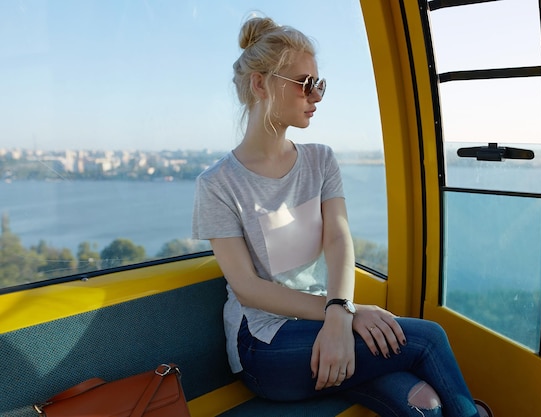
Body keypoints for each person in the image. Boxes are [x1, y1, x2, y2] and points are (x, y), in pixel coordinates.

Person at [193, 16, 492, 417]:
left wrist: (340, 313)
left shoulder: (320, 160)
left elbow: (338, 239)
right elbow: (247, 288)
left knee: (425, 406)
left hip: (328, 321)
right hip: (266, 345)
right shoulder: (218, 184)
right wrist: (341, 312)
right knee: (428, 339)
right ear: (261, 84)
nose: (316, 96)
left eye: (320, 84)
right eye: (304, 83)